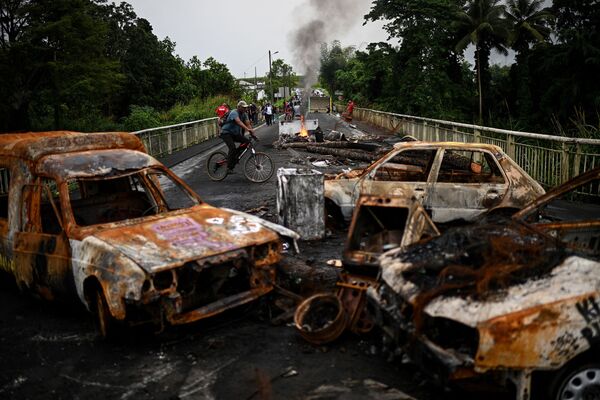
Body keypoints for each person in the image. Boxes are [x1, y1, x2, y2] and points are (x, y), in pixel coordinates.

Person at [219, 100, 258, 173]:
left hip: (235, 133)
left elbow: (248, 124)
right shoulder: (234, 112)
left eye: (246, 108)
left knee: (247, 142)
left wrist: (253, 134)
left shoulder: (244, 114)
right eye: (243, 108)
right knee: (232, 147)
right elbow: (239, 122)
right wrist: (248, 129)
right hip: (226, 133)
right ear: (239, 107)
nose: (245, 109)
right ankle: (229, 168)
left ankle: (234, 157)